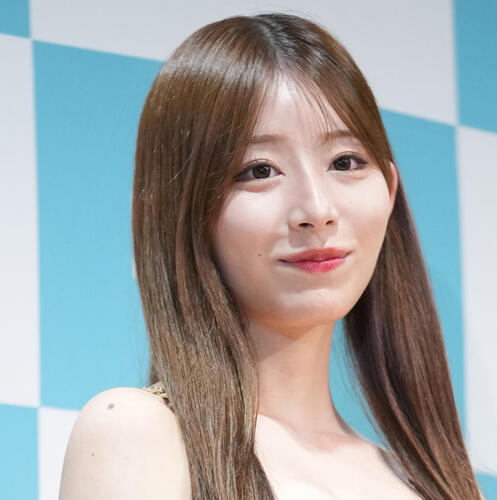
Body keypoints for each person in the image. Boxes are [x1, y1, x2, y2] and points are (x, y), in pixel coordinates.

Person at [58, 13, 485, 500]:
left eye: (345, 162)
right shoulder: (139, 434)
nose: (317, 210)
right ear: (184, 211)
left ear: (389, 190)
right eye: (260, 170)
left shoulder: (425, 484)